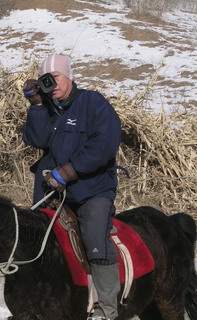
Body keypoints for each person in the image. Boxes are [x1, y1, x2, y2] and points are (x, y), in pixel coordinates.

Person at [22, 53, 122, 320]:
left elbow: (105, 143)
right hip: (52, 192)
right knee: (35, 241)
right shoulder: (49, 108)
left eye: (55, 78)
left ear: (69, 76)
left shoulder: (93, 103)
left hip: (92, 189)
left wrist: (69, 170)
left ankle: (108, 308)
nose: (51, 85)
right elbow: (35, 139)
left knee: (93, 237)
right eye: (46, 80)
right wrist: (36, 104)